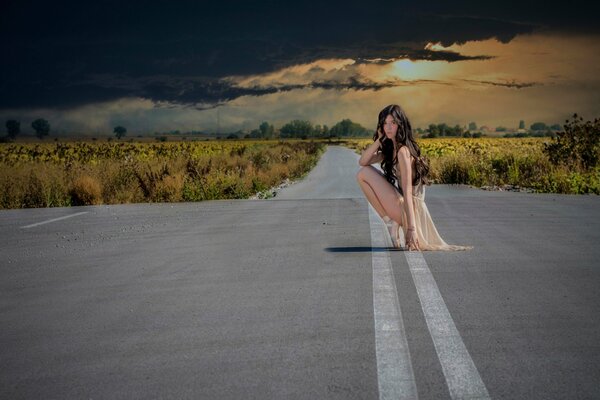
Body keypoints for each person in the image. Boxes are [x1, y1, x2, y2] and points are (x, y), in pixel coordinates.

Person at [356, 104, 473, 251]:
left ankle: (392, 222)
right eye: (385, 123)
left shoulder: (403, 151)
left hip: (411, 210)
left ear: (401, 124)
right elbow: (363, 161)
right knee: (362, 173)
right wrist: (379, 140)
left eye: (393, 123)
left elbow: (407, 191)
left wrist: (411, 229)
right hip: (404, 206)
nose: (388, 127)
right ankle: (390, 222)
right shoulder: (390, 150)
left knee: (363, 174)